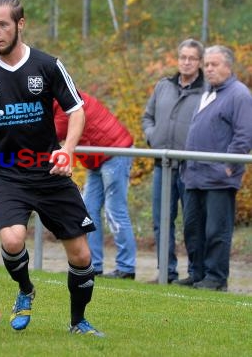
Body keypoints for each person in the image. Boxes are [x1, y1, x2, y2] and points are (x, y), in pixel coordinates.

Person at [0, 0, 103, 337]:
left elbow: (76, 110)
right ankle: (25, 289)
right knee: (13, 239)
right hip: (7, 174)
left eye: (2, 24)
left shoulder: (47, 65)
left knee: (80, 256)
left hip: (50, 171)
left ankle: (78, 322)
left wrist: (68, 149)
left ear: (20, 24)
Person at [180, 45, 252, 291]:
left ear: (228, 66)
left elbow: (244, 136)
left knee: (216, 231)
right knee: (192, 228)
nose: (208, 69)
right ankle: (197, 273)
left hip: (219, 178)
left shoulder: (239, 94)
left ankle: (216, 277)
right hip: (195, 176)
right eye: (207, 64)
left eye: (214, 64)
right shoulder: (207, 92)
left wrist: (230, 166)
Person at [142, 38, 206, 284]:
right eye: (183, 57)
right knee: (161, 222)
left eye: (192, 58)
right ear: (177, 60)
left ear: (199, 62)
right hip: (162, 166)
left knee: (192, 223)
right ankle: (166, 272)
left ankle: (194, 274)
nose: (187, 62)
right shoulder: (163, 86)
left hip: (191, 167)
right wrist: (152, 137)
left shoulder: (207, 91)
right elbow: (147, 117)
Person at [54, 92, 136, 279]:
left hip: (115, 152)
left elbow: (50, 133)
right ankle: (94, 265)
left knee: (115, 211)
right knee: (88, 211)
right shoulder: (59, 100)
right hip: (96, 159)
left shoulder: (63, 103)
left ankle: (127, 267)